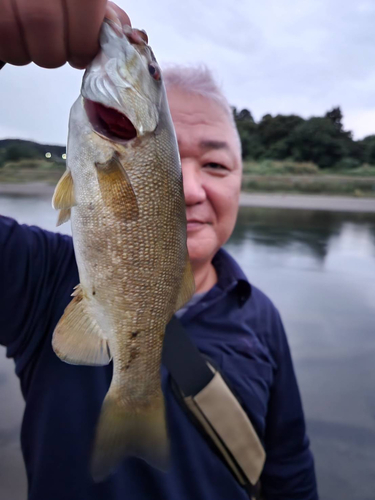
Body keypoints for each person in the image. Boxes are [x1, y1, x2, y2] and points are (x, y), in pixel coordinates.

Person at [0, 1, 318, 499]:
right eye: (175, 162)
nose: (188, 189)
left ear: (241, 181)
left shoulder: (261, 317)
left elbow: (290, 468)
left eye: (214, 165)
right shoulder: (40, 276)